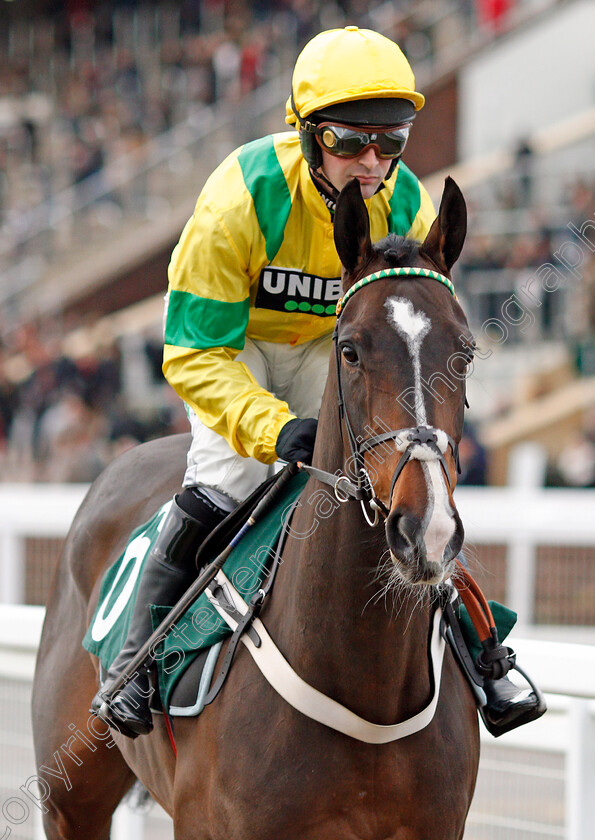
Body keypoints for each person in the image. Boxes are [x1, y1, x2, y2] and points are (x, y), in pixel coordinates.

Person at [92, 26, 542, 738]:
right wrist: (274, 430)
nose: (371, 163)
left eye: (389, 143)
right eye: (348, 142)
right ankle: (136, 662)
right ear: (305, 135)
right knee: (226, 479)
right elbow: (192, 354)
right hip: (232, 347)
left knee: (407, 483)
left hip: (337, 349)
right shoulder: (239, 199)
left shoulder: (407, 209)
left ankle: (483, 653)